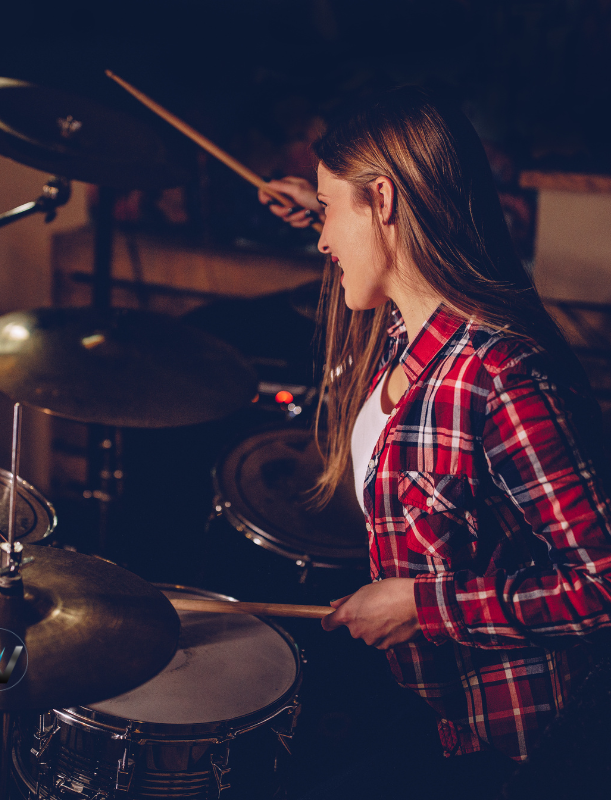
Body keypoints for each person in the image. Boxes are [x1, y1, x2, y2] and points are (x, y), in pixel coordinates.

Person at [259, 87, 611, 797]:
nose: (323, 240)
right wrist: (324, 199)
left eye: (331, 216)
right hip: (429, 707)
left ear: (384, 200)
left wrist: (425, 605)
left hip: (507, 747)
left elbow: (603, 585)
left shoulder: (499, 374)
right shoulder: (406, 332)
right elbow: (368, 244)